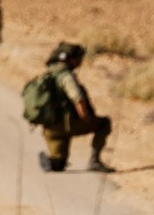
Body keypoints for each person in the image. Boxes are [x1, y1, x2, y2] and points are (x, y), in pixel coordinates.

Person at [35, 42, 114, 173]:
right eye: (78, 58)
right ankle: (95, 161)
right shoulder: (66, 76)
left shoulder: (46, 75)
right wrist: (86, 117)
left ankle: (53, 161)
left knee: (58, 166)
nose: (79, 61)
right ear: (70, 59)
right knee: (104, 123)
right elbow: (78, 98)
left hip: (49, 130)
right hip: (67, 126)